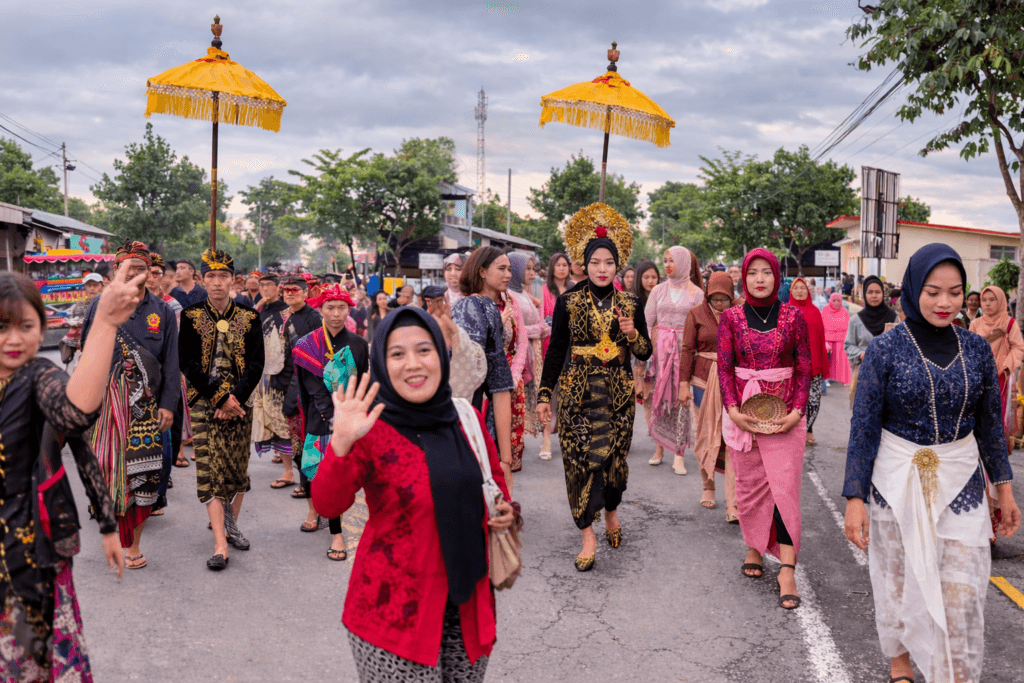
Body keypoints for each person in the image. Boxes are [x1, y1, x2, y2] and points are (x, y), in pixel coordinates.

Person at [843, 244, 1020, 683]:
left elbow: (989, 426)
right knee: (898, 581)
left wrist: (1004, 489)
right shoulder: (885, 349)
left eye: (956, 293)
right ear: (913, 289)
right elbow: (864, 427)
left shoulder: (976, 349)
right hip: (895, 481)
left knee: (964, 591)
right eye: (933, 291)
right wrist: (854, 498)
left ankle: (954, 673)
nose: (945, 302)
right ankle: (900, 660)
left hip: (961, 482)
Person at [311, 307, 516, 683]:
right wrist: (340, 441)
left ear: (441, 353)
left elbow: (495, 483)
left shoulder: (465, 419)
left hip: (466, 608)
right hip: (394, 614)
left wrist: (505, 510)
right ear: (381, 362)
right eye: (397, 354)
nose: (413, 364)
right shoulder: (370, 427)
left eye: (424, 350)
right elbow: (328, 504)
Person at [0, 267, 144, 680]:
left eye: (26, 326)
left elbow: (76, 421)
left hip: (31, 552)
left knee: (34, 662)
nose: (14, 339)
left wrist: (105, 323)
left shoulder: (40, 378)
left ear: (42, 329)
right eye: (2, 327)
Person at [537, 203, 652, 572]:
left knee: (614, 464)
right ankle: (587, 533)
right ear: (584, 265)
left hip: (618, 394)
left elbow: (645, 351)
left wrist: (632, 334)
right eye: (595, 262)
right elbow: (556, 351)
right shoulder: (568, 302)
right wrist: (544, 395)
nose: (602, 268)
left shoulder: (631, 302)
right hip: (578, 392)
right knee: (578, 463)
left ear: (617, 266)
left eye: (609, 262)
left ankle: (611, 511)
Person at [718, 248, 811, 609]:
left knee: (785, 490)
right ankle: (755, 546)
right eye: (753, 272)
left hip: (785, 417)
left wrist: (797, 412)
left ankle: (787, 568)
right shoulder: (731, 317)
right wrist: (732, 410)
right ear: (744, 277)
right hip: (744, 416)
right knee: (751, 489)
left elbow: (804, 367)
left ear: (777, 276)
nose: (760, 279)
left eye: (766, 272)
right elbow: (725, 367)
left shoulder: (793, 316)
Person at [82, 240, 179, 570]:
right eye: (128, 268)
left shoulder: (162, 311)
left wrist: (168, 404)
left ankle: (134, 544)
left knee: (145, 477)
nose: (135, 274)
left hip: (147, 408)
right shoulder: (99, 306)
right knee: (106, 473)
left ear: (150, 273)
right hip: (105, 406)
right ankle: (112, 536)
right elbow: (87, 352)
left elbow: (171, 362)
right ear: (115, 271)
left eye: (141, 269)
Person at [178, 249, 265, 570]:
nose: (217, 282)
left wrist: (234, 399)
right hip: (204, 405)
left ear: (233, 280)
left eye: (223, 276)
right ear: (202, 280)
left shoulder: (250, 316)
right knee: (211, 473)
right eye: (211, 276)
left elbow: (257, 363)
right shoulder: (190, 316)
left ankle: (230, 526)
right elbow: (187, 362)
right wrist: (218, 397)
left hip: (240, 406)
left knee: (237, 470)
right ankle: (220, 544)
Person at [295, 285, 369, 560]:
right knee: (318, 473)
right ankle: (326, 522)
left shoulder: (359, 344)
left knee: (348, 478)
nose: (336, 313)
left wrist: (355, 419)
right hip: (320, 418)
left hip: (352, 418)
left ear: (349, 309)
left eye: (341, 308)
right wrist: (335, 419)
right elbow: (313, 389)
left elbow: (363, 383)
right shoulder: (307, 344)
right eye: (330, 308)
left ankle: (342, 531)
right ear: (321, 310)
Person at [452, 247, 516, 490]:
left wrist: (505, 459)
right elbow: (473, 373)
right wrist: (505, 460)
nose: (508, 274)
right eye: (501, 268)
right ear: (482, 272)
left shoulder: (485, 307)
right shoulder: (474, 306)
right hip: (464, 413)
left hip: (468, 413)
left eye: (509, 269)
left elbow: (499, 382)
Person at [680, 271, 738, 521]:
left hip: (733, 381)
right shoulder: (696, 313)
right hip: (702, 382)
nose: (719, 303)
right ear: (707, 296)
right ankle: (708, 485)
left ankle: (733, 503)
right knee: (705, 434)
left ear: (731, 296)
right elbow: (687, 349)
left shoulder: (740, 311)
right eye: (714, 298)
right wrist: (683, 383)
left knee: (734, 439)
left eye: (724, 298)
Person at [644, 246, 704, 473]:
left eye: (672, 260)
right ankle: (659, 449)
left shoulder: (697, 293)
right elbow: (646, 321)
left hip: (685, 352)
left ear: (684, 262)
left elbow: (700, 326)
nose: (668, 265)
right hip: (660, 352)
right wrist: (646, 352)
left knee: (682, 400)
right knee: (659, 398)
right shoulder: (658, 290)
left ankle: (679, 453)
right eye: (665, 260)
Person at [278, 275, 323, 494]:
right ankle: (305, 483)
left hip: (307, 386)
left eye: (295, 289)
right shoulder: (287, 316)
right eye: (286, 290)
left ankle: (310, 486)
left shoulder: (314, 318)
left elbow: (315, 357)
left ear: (306, 293)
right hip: (288, 383)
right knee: (295, 439)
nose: (289, 293)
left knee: (307, 439)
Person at [250, 274, 293, 471]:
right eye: (262, 285)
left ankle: (288, 470)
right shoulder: (261, 309)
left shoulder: (285, 311)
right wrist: (258, 306)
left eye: (268, 285)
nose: (265, 289)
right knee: (267, 415)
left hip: (281, 372)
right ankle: (279, 454)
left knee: (280, 419)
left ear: (278, 288)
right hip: (262, 371)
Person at [508, 254, 548, 461]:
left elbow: (537, 325)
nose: (532, 273)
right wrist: (538, 329)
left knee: (528, 398)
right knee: (515, 400)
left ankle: (517, 444)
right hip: (517, 356)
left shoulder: (523, 293)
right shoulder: (508, 295)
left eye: (534, 268)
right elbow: (515, 327)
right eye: (528, 269)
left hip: (532, 353)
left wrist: (542, 328)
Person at [788, 278, 829, 447]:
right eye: (796, 288)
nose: (799, 291)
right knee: (794, 400)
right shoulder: (786, 312)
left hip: (814, 363)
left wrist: (821, 362)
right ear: (791, 291)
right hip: (793, 365)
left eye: (802, 288)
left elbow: (820, 339)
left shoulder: (815, 311)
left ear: (808, 291)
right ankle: (795, 431)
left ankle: (808, 429)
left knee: (813, 400)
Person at [539, 252, 571, 459]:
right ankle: (546, 440)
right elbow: (541, 319)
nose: (561, 268)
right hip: (549, 345)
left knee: (569, 393)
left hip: (573, 348)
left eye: (565, 265)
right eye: (558, 265)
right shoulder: (544, 290)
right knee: (549, 393)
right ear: (552, 267)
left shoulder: (575, 288)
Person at [845, 275, 896, 406]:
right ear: (864, 294)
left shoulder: (894, 317)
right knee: (864, 412)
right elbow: (848, 345)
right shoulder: (856, 320)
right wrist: (861, 354)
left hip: (889, 376)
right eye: (870, 292)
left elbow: (901, 345)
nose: (874, 296)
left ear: (883, 294)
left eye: (877, 292)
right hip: (863, 374)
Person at [631, 260, 662, 461]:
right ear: (639, 279)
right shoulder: (633, 301)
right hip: (641, 357)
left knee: (664, 399)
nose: (651, 281)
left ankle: (663, 442)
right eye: (646, 277)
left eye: (654, 277)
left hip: (664, 354)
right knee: (647, 397)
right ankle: (656, 440)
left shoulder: (664, 298)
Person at [821, 293, 852, 385]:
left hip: (840, 340)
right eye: (834, 300)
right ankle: (826, 379)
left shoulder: (844, 311)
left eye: (838, 301)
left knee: (840, 362)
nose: (836, 303)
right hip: (827, 340)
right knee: (828, 362)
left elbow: (848, 327)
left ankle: (841, 379)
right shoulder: (825, 310)